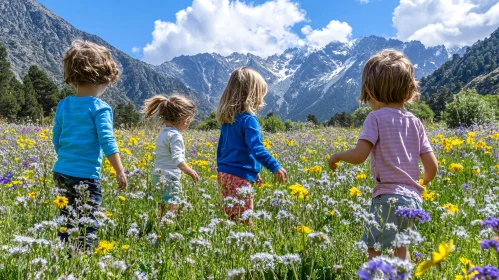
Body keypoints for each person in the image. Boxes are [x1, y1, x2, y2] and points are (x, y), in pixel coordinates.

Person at [328, 50, 438, 260]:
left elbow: (360, 155)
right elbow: (432, 166)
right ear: (409, 91)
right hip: (413, 199)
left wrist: (338, 156)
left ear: (370, 92)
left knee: (374, 246)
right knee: (401, 246)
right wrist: (420, 183)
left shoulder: (375, 118)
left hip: (387, 197)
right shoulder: (415, 122)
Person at [52, 40, 127, 250]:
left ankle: (65, 257)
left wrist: (66, 157)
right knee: (88, 223)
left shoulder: (64, 104)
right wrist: (119, 170)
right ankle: (84, 262)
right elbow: (107, 140)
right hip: (86, 176)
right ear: (102, 77)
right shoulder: (100, 108)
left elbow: (56, 137)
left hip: (61, 172)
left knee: (66, 221)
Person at [216, 67, 287, 227]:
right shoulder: (249, 120)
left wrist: (252, 172)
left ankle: (228, 247)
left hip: (224, 175)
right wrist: (274, 166)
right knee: (245, 219)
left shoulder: (229, 121)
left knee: (230, 217)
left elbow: (221, 150)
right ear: (253, 94)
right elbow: (256, 148)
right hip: (239, 177)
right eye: (261, 94)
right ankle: (248, 248)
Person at [143, 95, 198, 218]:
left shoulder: (163, 132)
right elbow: (178, 159)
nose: (188, 125)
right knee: (173, 205)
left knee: (162, 205)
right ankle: (166, 227)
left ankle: (159, 226)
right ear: (183, 119)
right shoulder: (175, 136)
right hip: (170, 178)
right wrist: (190, 171)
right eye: (189, 122)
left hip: (158, 175)